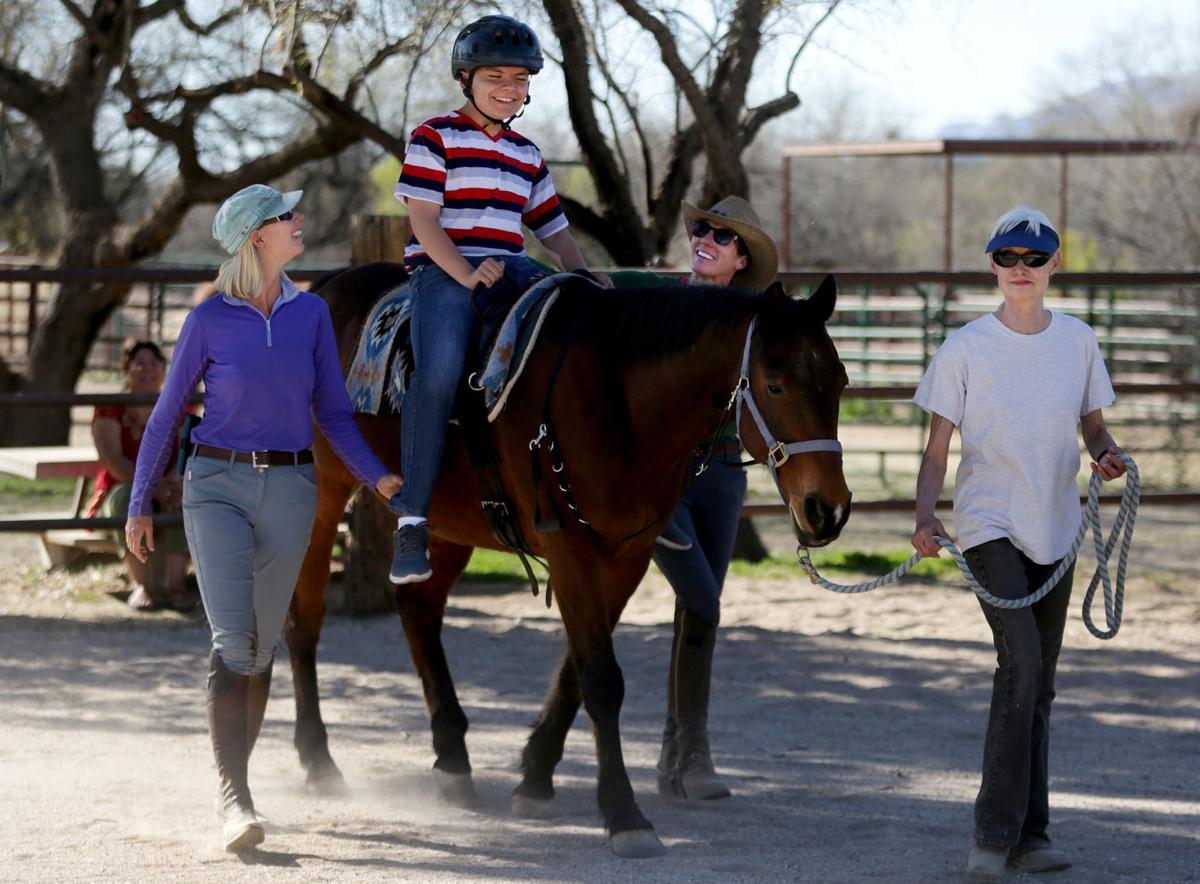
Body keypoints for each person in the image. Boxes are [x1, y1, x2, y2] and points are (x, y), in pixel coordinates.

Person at [125, 184, 402, 853]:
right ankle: (235, 798)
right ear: (257, 236)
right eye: (286, 216)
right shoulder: (210, 320)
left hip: (292, 487)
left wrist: (380, 479)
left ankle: (239, 784)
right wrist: (137, 502)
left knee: (262, 645)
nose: (299, 220)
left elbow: (334, 415)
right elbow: (166, 416)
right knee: (231, 640)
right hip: (215, 483)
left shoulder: (308, 317)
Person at [910, 207, 1126, 881]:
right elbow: (937, 449)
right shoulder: (966, 348)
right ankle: (993, 835)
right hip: (988, 524)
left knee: (1041, 684)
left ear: (1054, 264)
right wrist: (925, 517)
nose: (1021, 270)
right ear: (993, 266)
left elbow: (1092, 426)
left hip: (1057, 525)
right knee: (1021, 662)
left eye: (1034, 258)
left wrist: (1107, 452)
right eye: (1008, 258)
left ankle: (1034, 834)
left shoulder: (1079, 342)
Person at [388, 14, 602, 584]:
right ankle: (412, 519)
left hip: (510, 267)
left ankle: (605, 493)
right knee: (436, 375)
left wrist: (584, 275)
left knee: (575, 344)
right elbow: (425, 223)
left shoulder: (527, 154)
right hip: (443, 269)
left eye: (519, 79)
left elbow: (553, 231)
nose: (508, 88)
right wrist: (463, 273)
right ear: (466, 78)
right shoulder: (435, 137)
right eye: (494, 77)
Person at [612, 195, 779, 800]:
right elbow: (590, 284)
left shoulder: (755, 320)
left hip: (726, 472)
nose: (705, 238)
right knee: (705, 601)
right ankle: (694, 753)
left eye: (721, 236)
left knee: (698, 612)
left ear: (741, 260)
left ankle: (677, 760)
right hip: (664, 476)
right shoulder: (656, 297)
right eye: (702, 230)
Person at [85, 340, 195, 612]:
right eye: (139, 362)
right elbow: (112, 458)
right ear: (126, 370)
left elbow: (187, 449)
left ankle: (177, 585)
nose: (147, 369)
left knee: (185, 498)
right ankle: (141, 585)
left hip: (169, 487)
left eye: (154, 363)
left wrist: (174, 481)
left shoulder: (179, 404)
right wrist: (151, 489)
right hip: (122, 488)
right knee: (127, 500)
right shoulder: (111, 407)